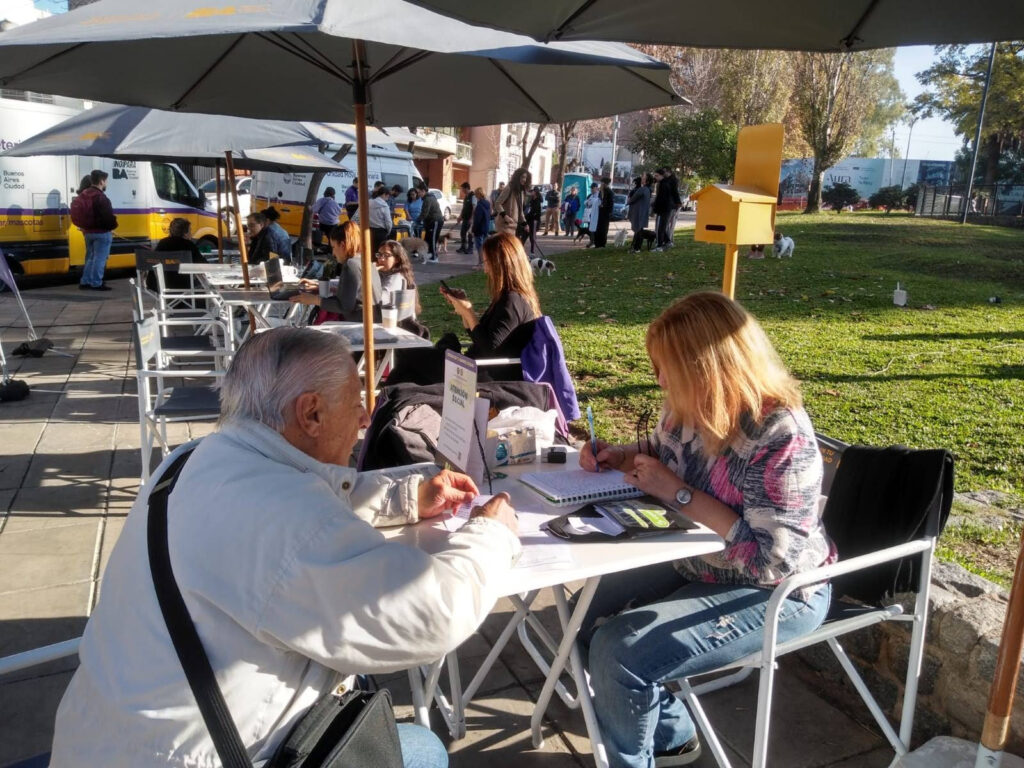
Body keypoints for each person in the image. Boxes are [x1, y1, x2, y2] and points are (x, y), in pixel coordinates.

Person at [50, 326, 521, 767]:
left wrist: (407, 495)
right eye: (356, 401)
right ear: (311, 413)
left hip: (99, 738)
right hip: (200, 757)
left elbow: (309, 497)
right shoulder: (286, 522)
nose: (364, 417)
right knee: (424, 749)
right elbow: (430, 613)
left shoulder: (192, 459)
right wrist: (492, 533)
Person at [578, 291, 835, 768]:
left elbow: (770, 562)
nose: (658, 379)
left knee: (618, 651)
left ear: (707, 369)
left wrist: (679, 494)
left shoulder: (780, 434)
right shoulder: (688, 407)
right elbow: (660, 452)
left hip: (782, 592)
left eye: (666, 368)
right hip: (697, 559)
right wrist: (620, 455)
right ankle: (672, 734)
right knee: (583, 618)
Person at [385, 233, 541, 386]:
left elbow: (489, 350)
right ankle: (389, 398)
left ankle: (385, 398)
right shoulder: (511, 297)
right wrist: (463, 310)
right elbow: (481, 337)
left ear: (500, 264)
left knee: (407, 353)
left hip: (479, 375)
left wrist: (468, 312)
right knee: (409, 368)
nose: (485, 269)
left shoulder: (512, 301)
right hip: (473, 367)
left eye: (487, 262)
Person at [291, 221, 382, 323]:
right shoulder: (364, 261)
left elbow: (345, 306)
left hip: (360, 324)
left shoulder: (351, 264)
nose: (333, 253)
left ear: (342, 245)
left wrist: (315, 300)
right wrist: (318, 286)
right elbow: (349, 294)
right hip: (370, 321)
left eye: (334, 247)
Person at [75, 169, 117, 291]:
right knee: (100, 259)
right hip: (102, 233)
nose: (106, 183)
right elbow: (108, 217)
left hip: (87, 232)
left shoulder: (83, 195)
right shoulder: (101, 197)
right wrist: (112, 226)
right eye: (106, 181)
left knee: (90, 257)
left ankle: (85, 281)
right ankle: (96, 283)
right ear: (101, 181)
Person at [375, 239, 419, 311]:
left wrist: (370, 276)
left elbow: (379, 300)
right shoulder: (382, 273)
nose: (381, 259)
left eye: (386, 255)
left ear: (397, 259)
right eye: (379, 255)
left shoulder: (396, 278)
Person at [493, 168, 530, 239]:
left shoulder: (521, 192)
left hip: (513, 226)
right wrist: (505, 216)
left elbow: (520, 211)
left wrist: (525, 224)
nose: (524, 180)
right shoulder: (509, 188)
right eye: (522, 177)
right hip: (504, 225)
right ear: (517, 177)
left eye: (526, 178)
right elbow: (498, 203)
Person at [417, 187, 444, 263]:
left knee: (432, 239)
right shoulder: (429, 197)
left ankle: (434, 258)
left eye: (419, 192)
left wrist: (418, 220)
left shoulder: (428, 199)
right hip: (431, 221)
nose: (418, 194)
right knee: (428, 239)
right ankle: (430, 255)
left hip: (435, 221)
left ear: (423, 191)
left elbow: (425, 212)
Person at [627, 174, 652, 254]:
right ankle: (636, 247)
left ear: (647, 181)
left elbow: (633, 198)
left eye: (644, 178)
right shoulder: (648, 189)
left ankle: (637, 248)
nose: (642, 179)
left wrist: (629, 202)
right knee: (639, 230)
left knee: (638, 230)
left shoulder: (643, 189)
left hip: (639, 212)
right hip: (642, 212)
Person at [366, 186, 393, 255]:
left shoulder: (369, 202)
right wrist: (388, 231)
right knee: (380, 252)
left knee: (371, 251)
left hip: (369, 230)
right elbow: (388, 222)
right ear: (384, 194)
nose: (388, 198)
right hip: (381, 232)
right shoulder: (384, 206)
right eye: (387, 196)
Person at [652, 168, 673, 250]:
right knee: (662, 227)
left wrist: (656, 208)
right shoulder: (665, 183)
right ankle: (667, 241)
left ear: (661, 176)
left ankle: (659, 245)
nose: (655, 177)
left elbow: (661, 199)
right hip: (665, 209)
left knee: (659, 228)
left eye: (657, 176)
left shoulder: (663, 185)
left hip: (663, 209)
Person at [471, 186, 491, 266]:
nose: (475, 196)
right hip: (486, 228)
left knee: (479, 247)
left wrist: (473, 230)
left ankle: (480, 264)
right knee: (484, 247)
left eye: (476, 194)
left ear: (479, 195)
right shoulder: (488, 204)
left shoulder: (479, 205)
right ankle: (485, 263)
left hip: (479, 229)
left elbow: (477, 220)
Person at [594, 176, 614, 248]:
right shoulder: (601, 191)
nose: (601, 184)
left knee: (603, 229)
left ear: (605, 183)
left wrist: (604, 206)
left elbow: (610, 203)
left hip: (605, 213)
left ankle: (602, 244)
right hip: (600, 213)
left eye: (602, 183)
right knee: (598, 228)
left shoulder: (609, 192)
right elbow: (599, 200)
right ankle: (597, 243)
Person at [455, 182, 475, 254]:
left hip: (470, 219)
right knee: (462, 233)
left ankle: (470, 248)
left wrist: (472, 219)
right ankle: (463, 247)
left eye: (462, 189)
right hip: (465, 218)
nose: (462, 190)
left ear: (466, 188)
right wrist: (460, 216)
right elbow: (464, 208)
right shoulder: (466, 196)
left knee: (470, 234)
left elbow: (474, 208)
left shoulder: (473, 196)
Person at [525, 186, 544, 254]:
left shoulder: (538, 201)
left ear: (535, 192)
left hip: (534, 221)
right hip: (529, 220)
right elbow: (527, 209)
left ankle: (532, 251)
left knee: (532, 236)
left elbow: (535, 212)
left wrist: (528, 216)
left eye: (532, 191)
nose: (531, 192)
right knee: (525, 235)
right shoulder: (531, 200)